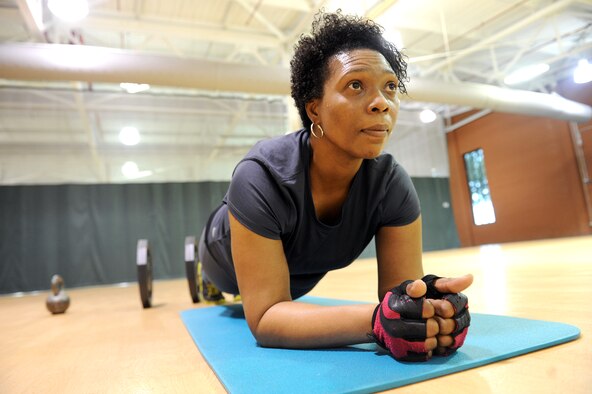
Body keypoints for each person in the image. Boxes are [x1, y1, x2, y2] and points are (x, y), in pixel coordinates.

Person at [197, 10, 473, 361]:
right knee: (223, 287)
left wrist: (425, 310)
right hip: (222, 255)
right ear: (315, 110)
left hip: (294, 276)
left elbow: (397, 298)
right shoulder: (261, 177)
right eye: (355, 85)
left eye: (390, 87)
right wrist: (374, 322)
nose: (381, 103)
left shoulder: (391, 185)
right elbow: (266, 317)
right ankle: (201, 271)